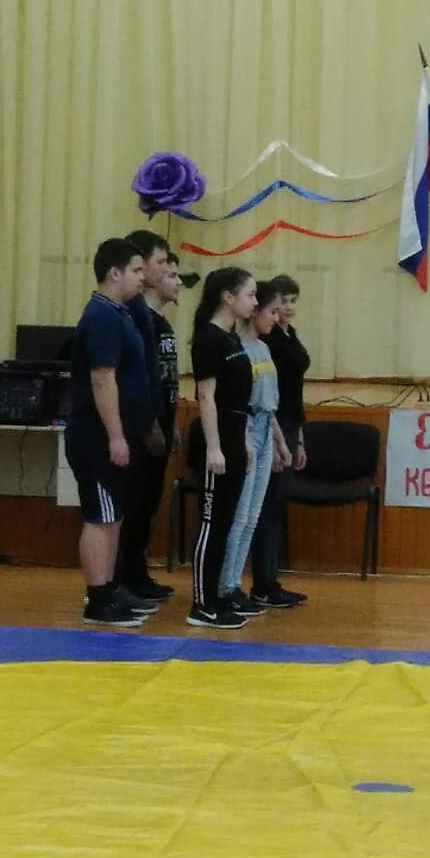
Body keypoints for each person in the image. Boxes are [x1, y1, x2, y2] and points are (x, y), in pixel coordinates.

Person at [66, 238, 152, 626]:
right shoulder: (102, 317)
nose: (142, 277)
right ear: (114, 273)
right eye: (136, 270)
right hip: (95, 436)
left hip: (115, 433)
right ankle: (97, 598)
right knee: (101, 516)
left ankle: (110, 587)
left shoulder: (120, 314)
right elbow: (103, 380)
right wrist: (116, 435)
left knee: (113, 515)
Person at [187, 267, 256, 629]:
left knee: (226, 523)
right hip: (216, 442)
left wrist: (242, 442)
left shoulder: (232, 340)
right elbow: (207, 397)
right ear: (228, 297)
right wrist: (214, 448)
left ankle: (216, 598)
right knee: (211, 524)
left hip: (234, 437)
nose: (254, 302)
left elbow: (238, 399)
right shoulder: (208, 338)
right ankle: (201, 604)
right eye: (250, 294)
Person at [114, 243, 182, 602]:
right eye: (162, 265)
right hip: (143, 426)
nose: (170, 273)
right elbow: (138, 378)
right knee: (134, 502)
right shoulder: (135, 318)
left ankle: (137, 574)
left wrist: (173, 422)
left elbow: (165, 379)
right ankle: (122, 578)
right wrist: (152, 423)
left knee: (149, 504)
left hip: (162, 421)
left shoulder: (161, 321)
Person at [217, 281, 291, 614]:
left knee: (252, 517)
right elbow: (236, 402)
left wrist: (279, 440)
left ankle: (235, 584)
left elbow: (268, 405)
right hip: (245, 430)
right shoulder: (237, 348)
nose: (277, 318)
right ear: (255, 310)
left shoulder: (264, 349)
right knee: (239, 515)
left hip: (264, 429)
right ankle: (225, 586)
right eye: (272, 311)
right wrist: (245, 439)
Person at [250, 273, 310, 607]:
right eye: (281, 302)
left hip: (290, 423)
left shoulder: (289, 334)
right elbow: (270, 394)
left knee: (275, 507)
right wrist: (276, 439)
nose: (287, 308)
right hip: (273, 425)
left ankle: (270, 579)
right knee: (268, 506)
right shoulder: (269, 340)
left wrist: (298, 439)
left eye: (292, 301)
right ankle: (263, 582)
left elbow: (295, 393)